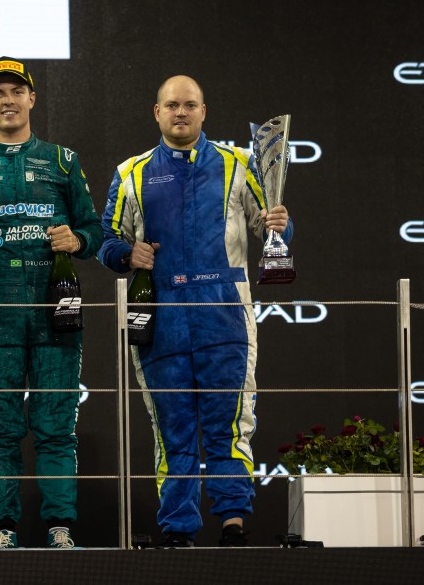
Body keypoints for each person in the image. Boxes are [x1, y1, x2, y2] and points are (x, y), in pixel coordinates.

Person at [98, 75, 292, 548]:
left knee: (229, 422)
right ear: (157, 113)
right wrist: (127, 255)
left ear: (205, 111)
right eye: (171, 105)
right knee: (172, 427)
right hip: (161, 315)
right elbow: (107, 241)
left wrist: (279, 226)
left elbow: (271, 235)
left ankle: (232, 521)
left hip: (224, 311)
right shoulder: (131, 172)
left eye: (189, 105)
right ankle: (179, 528)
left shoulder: (240, 164)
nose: (180, 113)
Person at [0, 57, 102, 549]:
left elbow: (96, 232)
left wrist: (76, 241)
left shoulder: (62, 161)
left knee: (56, 424)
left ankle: (59, 528)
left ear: (32, 98)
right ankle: (4, 530)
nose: (7, 100)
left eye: (17, 91)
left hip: (56, 309)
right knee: (1, 426)